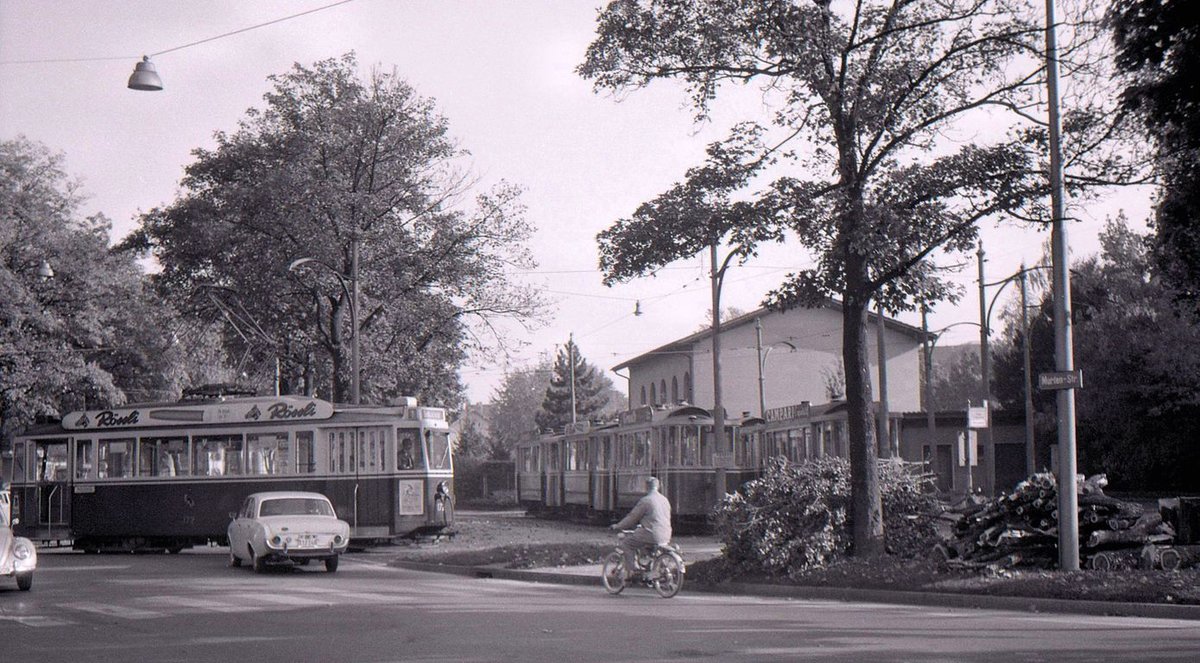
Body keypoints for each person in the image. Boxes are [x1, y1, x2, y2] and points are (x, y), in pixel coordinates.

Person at [610, 476, 672, 579]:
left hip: (651, 533)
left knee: (627, 543)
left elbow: (632, 517)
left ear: (646, 487)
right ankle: (650, 567)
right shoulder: (665, 500)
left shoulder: (646, 501)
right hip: (666, 534)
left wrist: (618, 526)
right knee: (649, 546)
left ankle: (632, 571)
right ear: (659, 486)